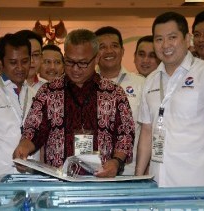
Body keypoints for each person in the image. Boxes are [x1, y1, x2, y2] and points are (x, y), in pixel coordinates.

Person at [13, 29, 135, 177]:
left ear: (96, 59)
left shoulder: (114, 93)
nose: (75, 69)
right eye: (69, 62)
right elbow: (34, 130)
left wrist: (116, 162)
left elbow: (125, 134)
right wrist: (23, 148)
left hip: (101, 180)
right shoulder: (48, 92)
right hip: (59, 182)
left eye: (83, 63)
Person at [135, 12, 204, 188]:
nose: (165, 45)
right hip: (157, 182)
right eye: (159, 39)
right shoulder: (151, 80)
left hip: (197, 183)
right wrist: (138, 177)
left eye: (172, 37)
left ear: (187, 39)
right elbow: (147, 132)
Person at [0, 33, 35, 183]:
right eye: (13, 62)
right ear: (1, 62)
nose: (20, 68)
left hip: (34, 178)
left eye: (25, 61)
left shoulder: (36, 95)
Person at [95, 26, 145, 175]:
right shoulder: (85, 85)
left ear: (123, 51)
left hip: (131, 172)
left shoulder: (141, 84)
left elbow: (148, 130)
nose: (109, 51)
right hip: (93, 171)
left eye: (114, 46)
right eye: (102, 47)